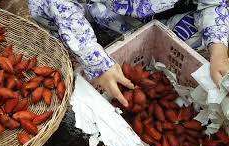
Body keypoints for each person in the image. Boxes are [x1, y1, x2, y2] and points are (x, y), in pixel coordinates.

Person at [28, 0, 229, 107]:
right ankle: (81, 40)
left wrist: (218, 48)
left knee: (194, 38)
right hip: (110, 11)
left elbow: (213, 3)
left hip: (170, 15)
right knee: (41, 6)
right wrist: (95, 60)